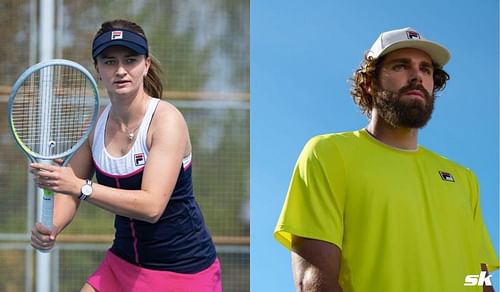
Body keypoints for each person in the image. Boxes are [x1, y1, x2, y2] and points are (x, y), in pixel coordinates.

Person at [274, 27, 499, 292]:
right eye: (401, 66)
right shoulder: (328, 154)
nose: (417, 75)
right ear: (370, 82)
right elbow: (314, 282)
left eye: (426, 69)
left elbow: (478, 276)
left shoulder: (464, 179)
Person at [29, 19, 221, 292]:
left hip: (184, 270)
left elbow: (151, 207)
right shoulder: (94, 126)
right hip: (123, 263)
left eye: (130, 60)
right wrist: (53, 227)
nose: (120, 70)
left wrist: (80, 186)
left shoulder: (167, 121)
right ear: (97, 69)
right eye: (109, 62)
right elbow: (69, 189)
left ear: (146, 65)